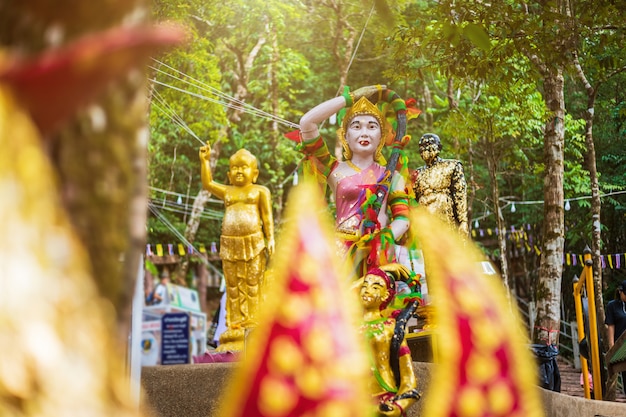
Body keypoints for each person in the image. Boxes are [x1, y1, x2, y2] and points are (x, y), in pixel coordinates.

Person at [297, 85, 412, 275]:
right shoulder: (334, 170)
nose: (364, 133)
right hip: (340, 251)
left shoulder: (392, 175)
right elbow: (307, 122)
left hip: (377, 251)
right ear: (346, 137)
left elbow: (403, 218)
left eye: (372, 127)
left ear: (381, 137)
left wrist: (383, 238)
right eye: (356, 126)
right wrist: (350, 98)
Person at [199, 145, 275, 352]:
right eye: (235, 168)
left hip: (254, 241)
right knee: (232, 284)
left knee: (252, 283)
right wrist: (205, 161)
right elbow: (207, 183)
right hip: (230, 243)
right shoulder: (228, 191)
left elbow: (267, 217)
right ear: (229, 173)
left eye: (244, 167)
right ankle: (234, 324)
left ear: (255, 173)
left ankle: (253, 323)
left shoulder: (260, 191)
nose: (239, 171)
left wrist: (271, 239)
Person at [358, 263, 421, 416]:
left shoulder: (390, 327)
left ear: (386, 295)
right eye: (364, 285)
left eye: (375, 286)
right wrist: (384, 269)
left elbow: (408, 377)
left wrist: (399, 405)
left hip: (384, 400)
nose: (367, 289)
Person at [412, 133, 468, 236]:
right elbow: (412, 201)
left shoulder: (451, 166)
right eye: (422, 146)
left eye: (429, 144)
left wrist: (463, 221)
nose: (425, 148)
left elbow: (460, 193)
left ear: (439, 147)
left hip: (444, 216)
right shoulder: (417, 174)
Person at [605, 279, 626, 392]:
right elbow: (610, 327)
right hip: (622, 348)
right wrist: (612, 348)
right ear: (620, 292)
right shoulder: (612, 306)